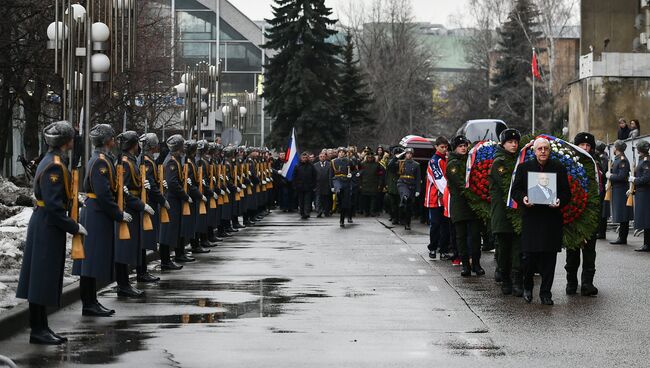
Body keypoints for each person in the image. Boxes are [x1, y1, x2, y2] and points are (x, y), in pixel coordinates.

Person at [16, 121, 86, 344]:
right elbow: (55, 206)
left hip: (45, 222)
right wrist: (73, 226)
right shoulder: (55, 165)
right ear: (65, 141)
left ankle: (42, 326)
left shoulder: (52, 160)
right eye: (72, 138)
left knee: (40, 277)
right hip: (47, 224)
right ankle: (38, 329)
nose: (73, 141)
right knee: (41, 277)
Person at [73, 124, 128, 317]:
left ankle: (91, 300)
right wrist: (118, 213)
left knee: (91, 261)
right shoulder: (100, 162)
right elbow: (103, 194)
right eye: (112, 138)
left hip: (97, 212)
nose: (114, 141)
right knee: (90, 261)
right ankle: (89, 303)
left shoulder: (101, 159)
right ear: (106, 141)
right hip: (96, 213)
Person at [512, 137, 571, 305]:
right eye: (540, 149)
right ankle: (528, 287)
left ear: (549, 150)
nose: (543, 151)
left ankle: (546, 293)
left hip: (551, 220)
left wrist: (559, 200)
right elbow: (515, 190)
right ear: (534, 151)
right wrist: (523, 198)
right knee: (529, 258)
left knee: (549, 259)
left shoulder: (558, 168)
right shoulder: (524, 168)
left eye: (546, 148)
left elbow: (567, 193)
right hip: (531, 219)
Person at [114, 131, 151, 298]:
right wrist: (142, 205)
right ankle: (123, 285)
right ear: (133, 145)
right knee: (124, 249)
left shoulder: (131, 161)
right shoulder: (126, 163)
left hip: (132, 208)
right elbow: (124, 191)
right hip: (128, 209)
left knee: (128, 248)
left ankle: (125, 284)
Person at [565, 133, 601, 297]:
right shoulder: (568, 163)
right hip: (574, 212)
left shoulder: (595, 164)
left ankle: (587, 283)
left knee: (589, 251)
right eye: (582, 145)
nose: (585, 148)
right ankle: (571, 282)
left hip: (591, 213)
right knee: (572, 250)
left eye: (588, 146)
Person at [489, 128, 523, 295]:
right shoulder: (499, 163)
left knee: (517, 247)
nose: (514, 145)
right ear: (503, 144)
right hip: (502, 213)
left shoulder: (519, 160)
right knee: (503, 248)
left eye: (516, 142)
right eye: (510, 142)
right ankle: (505, 278)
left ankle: (516, 279)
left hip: (517, 212)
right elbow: (507, 185)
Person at [446, 135, 483, 277]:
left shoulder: (470, 160)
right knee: (461, 237)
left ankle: (476, 264)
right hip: (460, 205)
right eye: (460, 146)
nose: (463, 148)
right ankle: (466, 265)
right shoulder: (452, 164)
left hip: (472, 205)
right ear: (455, 148)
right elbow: (460, 184)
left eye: (465, 146)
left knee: (475, 236)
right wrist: (475, 195)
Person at [137, 133, 168, 283]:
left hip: (147, 201)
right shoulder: (146, 161)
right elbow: (150, 183)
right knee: (143, 240)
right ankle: (142, 272)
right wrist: (162, 200)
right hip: (147, 202)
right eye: (156, 144)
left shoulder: (148, 160)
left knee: (145, 239)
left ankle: (143, 271)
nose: (158, 147)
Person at [158, 135, 189, 271]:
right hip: (171, 199)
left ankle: (167, 260)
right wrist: (184, 195)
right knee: (167, 231)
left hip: (173, 199)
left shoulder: (175, 159)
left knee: (170, 231)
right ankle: (165, 261)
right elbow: (172, 183)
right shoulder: (172, 162)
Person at [424, 137, 450, 259]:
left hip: (445, 198)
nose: (444, 149)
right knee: (435, 224)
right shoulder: (434, 161)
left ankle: (444, 249)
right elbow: (439, 180)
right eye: (442, 147)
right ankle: (433, 248)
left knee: (445, 224)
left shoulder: (447, 160)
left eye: (446, 147)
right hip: (435, 198)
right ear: (436, 147)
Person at [607, 140, 633, 245]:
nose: (613, 149)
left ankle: (622, 238)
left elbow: (622, 177)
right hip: (617, 189)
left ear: (617, 148)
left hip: (621, 189)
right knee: (621, 214)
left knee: (623, 214)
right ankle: (621, 237)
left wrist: (610, 176)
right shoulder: (617, 159)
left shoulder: (623, 160)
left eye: (614, 147)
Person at [394, 148, 421, 230]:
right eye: (407, 153)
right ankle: (403, 200)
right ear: (405, 154)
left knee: (409, 206)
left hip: (411, 186)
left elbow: (418, 178)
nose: (408, 155)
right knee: (405, 195)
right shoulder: (401, 162)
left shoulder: (416, 165)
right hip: (402, 183)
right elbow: (390, 166)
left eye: (410, 153)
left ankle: (407, 223)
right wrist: (397, 157)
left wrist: (417, 190)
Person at [631, 140, 650, 252]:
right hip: (641, 192)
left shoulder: (646, 161)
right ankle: (646, 243)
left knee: (646, 219)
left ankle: (647, 244)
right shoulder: (642, 159)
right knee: (645, 218)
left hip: (645, 193)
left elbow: (646, 178)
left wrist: (635, 180)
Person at [332, 147, 354, 227]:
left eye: (343, 152)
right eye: (340, 152)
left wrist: (351, 174)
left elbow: (353, 170)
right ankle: (338, 197)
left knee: (345, 202)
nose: (341, 153)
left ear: (345, 154)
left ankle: (342, 219)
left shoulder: (349, 161)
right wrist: (332, 186)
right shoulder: (333, 161)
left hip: (346, 182)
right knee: (340, 198)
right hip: (337, 180)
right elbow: (331, 174)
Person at [293, 152, 318, 219]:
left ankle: (306, 213)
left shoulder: (311, 166)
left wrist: (314, 185)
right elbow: (294, 177)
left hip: (308, 187)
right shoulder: (297, 166)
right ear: (301, 158)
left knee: (307, 201)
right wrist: (295, 186)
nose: (304, 159)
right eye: (303, 158)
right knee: (301, 201)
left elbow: (314, 176)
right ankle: (302, 212)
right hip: (300, 187)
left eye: (306, 158)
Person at [359, 152, 384, 216]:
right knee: (365, 199)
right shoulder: (363, 164)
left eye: (371, 157)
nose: (370, 158)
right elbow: (360, 175)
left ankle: (372, 211)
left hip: (374, 184)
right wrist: (360, 184)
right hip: (365, 184)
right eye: (368, 157)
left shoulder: (377, 165)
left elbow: (380, 175)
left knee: (373, 199)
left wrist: (380, 184)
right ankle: (366, 212)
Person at [595, 141, 610, 239]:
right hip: (601, 186)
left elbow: (603, 172)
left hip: (603, 187)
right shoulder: (601, 157)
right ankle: (599, 231)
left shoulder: (603, 158)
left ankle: (601, 232)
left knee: (601, 211)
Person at [385, 147, 403, 225]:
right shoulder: (390, 161)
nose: (398, 155)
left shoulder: (403, 162)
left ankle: (401, 218)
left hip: (402, 185)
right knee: (393, 204)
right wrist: (396, 158)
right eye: (396, 154)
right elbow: (390, 165)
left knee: (401, 204)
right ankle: (394, 217)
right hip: (393, 185)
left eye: (399, 154)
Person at [314, 150, 333, 217]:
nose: (322, 158)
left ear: (326, 157)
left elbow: (330, 175)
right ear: (319, 157)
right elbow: (314, 176)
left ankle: (326, 211)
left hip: (326, 184)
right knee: (318, 200)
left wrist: (331, 186)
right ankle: (319, 212)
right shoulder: (315, 165)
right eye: (321, 157)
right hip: (318, 185)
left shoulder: (329, 164)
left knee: (326, 199)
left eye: (323, 157)